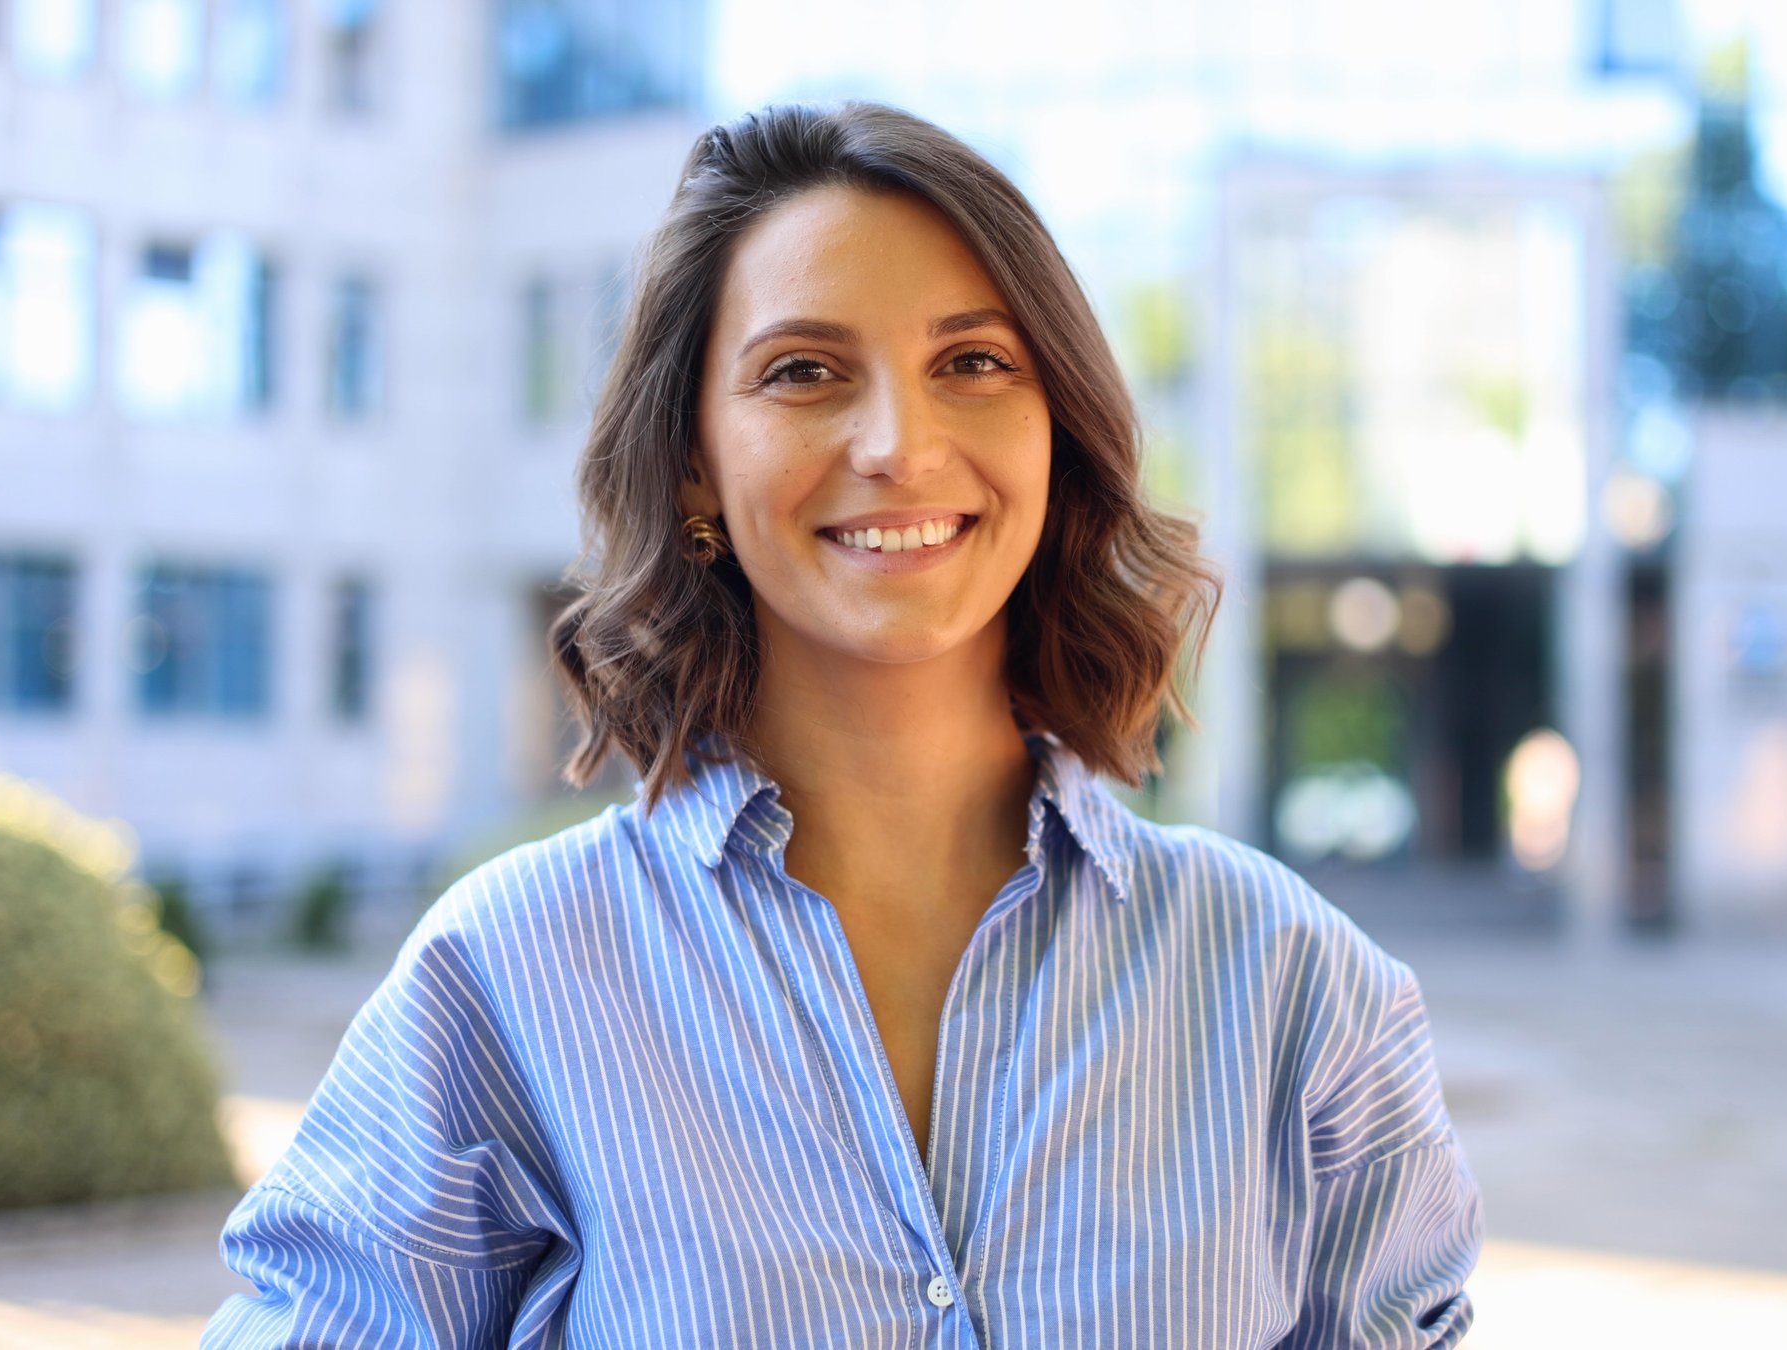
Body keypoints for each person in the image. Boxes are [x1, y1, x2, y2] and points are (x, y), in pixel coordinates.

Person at [202, 101, 1482, 1348]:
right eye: (803, 372)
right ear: (697, 457)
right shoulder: (510, 981)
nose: (896, 444)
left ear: (1056, 428)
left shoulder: (1292, 986)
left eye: (973, 363)